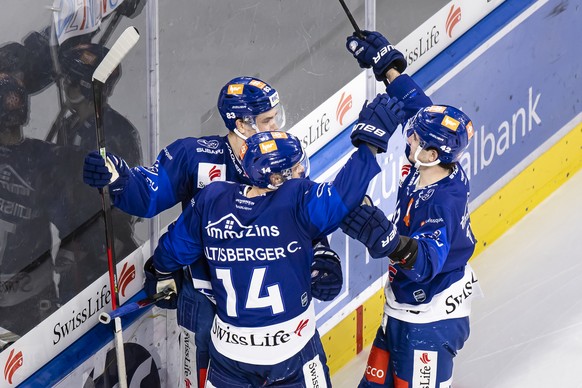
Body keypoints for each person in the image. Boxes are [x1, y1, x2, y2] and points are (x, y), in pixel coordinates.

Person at [83, 76, 344, 387]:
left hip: (272, 310)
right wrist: (118, 177)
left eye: (278, 116)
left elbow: (305, 213)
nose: (278, 126)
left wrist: (321, 255)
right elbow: (149, 192)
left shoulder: (282, 157)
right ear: (242, 125)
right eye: (268, 119)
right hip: (207, 300)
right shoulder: (196, 157)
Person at [148, 89, 405, 386]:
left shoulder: (212, 198)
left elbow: (174, 247)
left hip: (230, 359)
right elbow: (343, 194)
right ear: (274, 178)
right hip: (291, 354)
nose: (301, 171)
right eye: (294, 168)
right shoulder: (295, 201)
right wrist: (368, 146)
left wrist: (161, 270)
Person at [340, 30, 482, 387]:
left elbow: (425, 263)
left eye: (415, 137)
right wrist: (389, 68)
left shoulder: (442, 201)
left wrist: (390, 241)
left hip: (429, 322)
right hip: (403, 311)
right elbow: (419, 107)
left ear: (432, 153)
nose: (409, 136)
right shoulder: (435, 163)